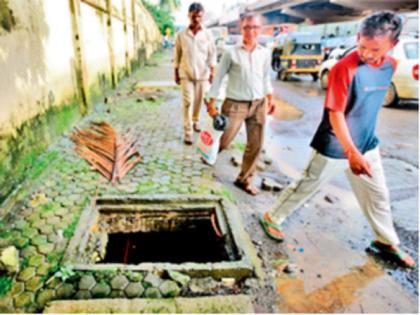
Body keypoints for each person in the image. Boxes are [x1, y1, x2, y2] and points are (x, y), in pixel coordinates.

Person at [259, 11, 415, 268]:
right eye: (362, 45)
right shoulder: (345, 67)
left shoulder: (392, 66)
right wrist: (350, 151)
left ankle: (385, 242)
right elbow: (335, 113)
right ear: (357, 37)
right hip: (334, 144)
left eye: (374, 49)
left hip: (366, 144)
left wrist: (359, 149)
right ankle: (272, 217)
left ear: (392, 45)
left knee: (378, 196)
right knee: (307, 186)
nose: (366, 53)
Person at [206, 12, 275, 196]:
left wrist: (270, 97)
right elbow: (218, 78)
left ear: (260, 29)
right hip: (235, 105)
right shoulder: (231, 53)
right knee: (222, 141)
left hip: (259, 104)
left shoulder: (265, 53)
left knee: (256, 144)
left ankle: (244, 179)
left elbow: (265, 77)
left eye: (255, 27)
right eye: (247, 27)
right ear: (241, 28)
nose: (251, 31)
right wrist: (210, 102)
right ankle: (204, 164)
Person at [173, 2, 216, 145]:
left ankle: (196, 120)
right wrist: (175, 72)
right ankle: (188, 131)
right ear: (188, 15)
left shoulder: (208, 34)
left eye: (199, 17)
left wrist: (212, 71)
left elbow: (212, 54)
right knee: (188, 102)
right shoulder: (181, 34)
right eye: (193, 16)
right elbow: (177, 54)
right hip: (186, 72)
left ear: (202, 17)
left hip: (203, 74)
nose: (196, 19)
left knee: (198, 101)